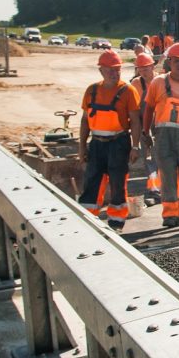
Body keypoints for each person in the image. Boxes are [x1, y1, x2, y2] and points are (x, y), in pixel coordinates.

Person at [77, 50, 141, 232]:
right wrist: (82, 147)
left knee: (118, 183)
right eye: (110, 70)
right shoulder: (91, 91)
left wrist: (135, 147)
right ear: (101, 71)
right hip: (96, 144)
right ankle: (88, 219)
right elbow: (84, 120)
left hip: (118, 143)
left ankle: (116, 223)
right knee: (92, 182)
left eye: (118, 69)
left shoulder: (128, 91)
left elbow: (135, 121)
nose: (115, 73)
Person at [142, 42, 179, 228]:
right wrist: (146, 132)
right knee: (167, 174)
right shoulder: (158, 82)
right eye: (176, 61)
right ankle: (170, 215)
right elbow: (149, 108)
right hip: (163, 137)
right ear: (169, 62)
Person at [131, 52, 161, 206]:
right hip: (144, 125)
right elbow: (134, 109)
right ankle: (154, 191)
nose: (143, 71)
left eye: (146, 68)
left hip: (161, 124)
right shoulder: (136, 84)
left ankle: (166, 190)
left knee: (162, 157)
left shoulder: (162, 80)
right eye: (140, 69)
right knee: (148, 159)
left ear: (152, 66)